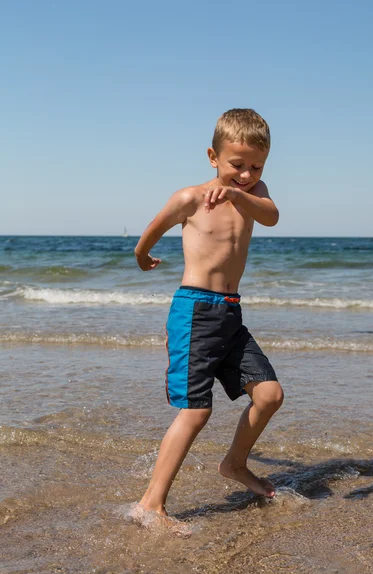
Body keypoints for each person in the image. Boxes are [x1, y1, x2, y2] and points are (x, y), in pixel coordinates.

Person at [131, 108, 284, 533]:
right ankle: (151, 503)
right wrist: (144, 256)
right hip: (195, 310)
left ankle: (234, 464)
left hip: (231, 312)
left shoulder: (253, 195)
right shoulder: (190, 198)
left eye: (256, 166)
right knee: (196, 413)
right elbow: (151, 231)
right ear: (213, 156)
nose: (247, 174)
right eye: (238, 165)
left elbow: (271, 215)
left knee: (270, 394)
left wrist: (239, 195)